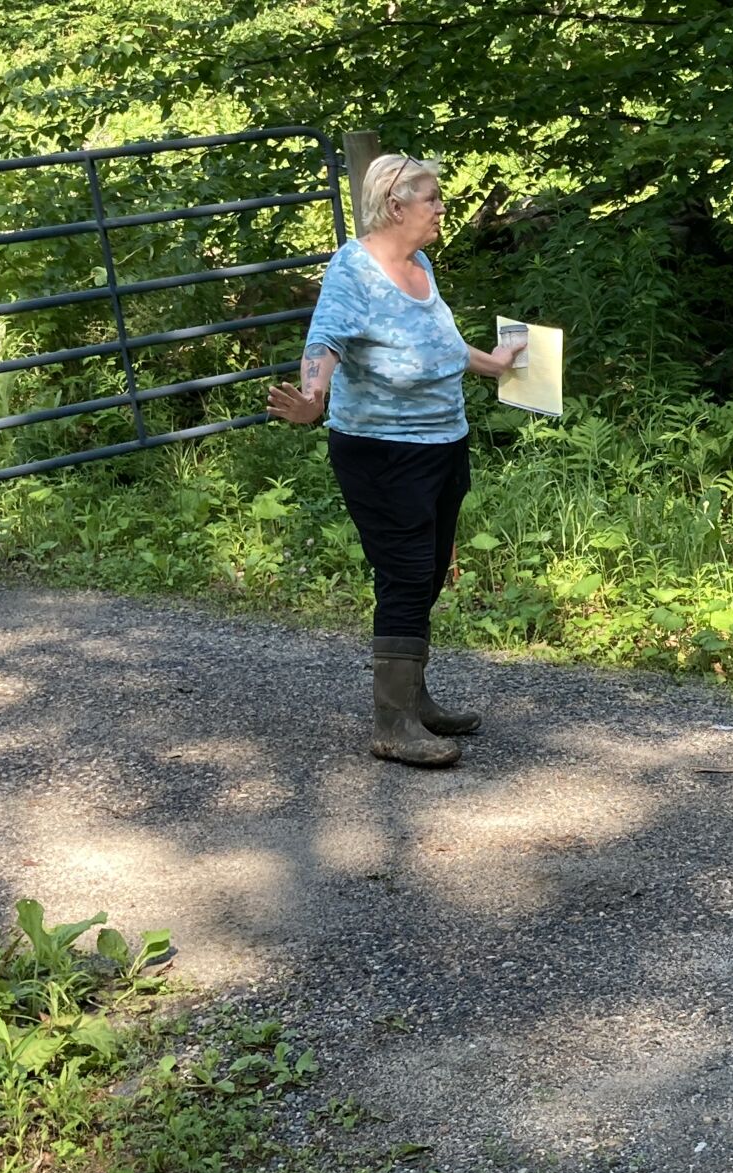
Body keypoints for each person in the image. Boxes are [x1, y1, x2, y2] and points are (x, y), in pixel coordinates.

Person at [267, 154, 523, 768]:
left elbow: (440, 343)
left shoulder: (420, 265)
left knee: (429, 569)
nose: (441, 209)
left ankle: (414, 699)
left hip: (442, 443)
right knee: (406, 572)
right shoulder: (354, 270)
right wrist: (311, 398)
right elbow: (324, 341)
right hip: (382, 451)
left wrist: (495, 364)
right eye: (432, 199)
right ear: (395, 205)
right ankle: (392, 722)